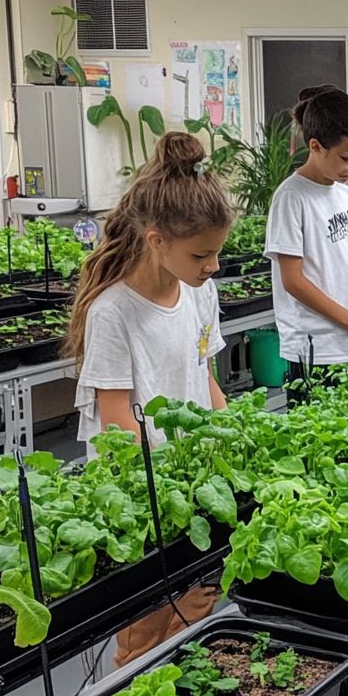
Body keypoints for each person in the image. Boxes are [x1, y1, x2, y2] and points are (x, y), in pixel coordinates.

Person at [67, 131, 235, 666]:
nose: (212, 265)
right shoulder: (113, 312)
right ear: (156, 239)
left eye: (217, 252)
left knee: (196, 606)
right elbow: (117, 422)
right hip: (139, 492)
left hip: (187, 481)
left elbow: (204, 377)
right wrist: (171, 482)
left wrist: (237, 440)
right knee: (145, 630)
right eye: (201, 254)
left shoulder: (199, 291)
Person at [266, 85, 348, 389]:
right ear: (316, 147)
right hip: (317, 350)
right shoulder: (291, 197)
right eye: (347, 157)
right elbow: (293, 280)